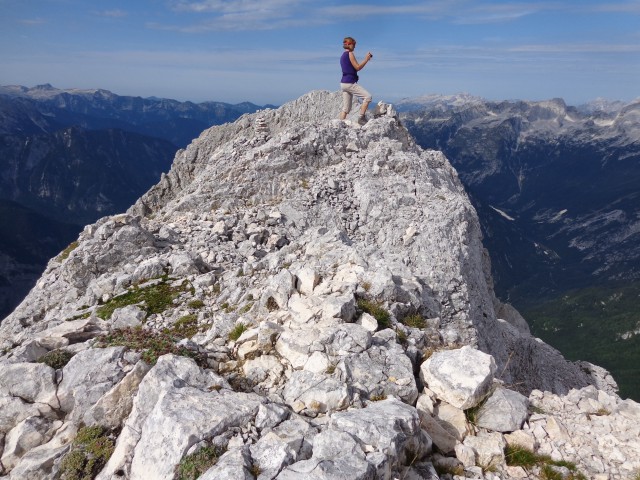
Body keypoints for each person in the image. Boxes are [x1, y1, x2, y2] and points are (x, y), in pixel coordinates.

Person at [339, 37, 373, 125]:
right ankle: (361, 118)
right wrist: (366, 59)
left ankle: (339, 124)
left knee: (346, 108)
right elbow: (357, 67)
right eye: (354, 45)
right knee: (368, 97)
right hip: (350, 82)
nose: (354, 47)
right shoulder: (350, 54)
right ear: (350, 45)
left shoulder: (342, 56)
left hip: (343, 83)